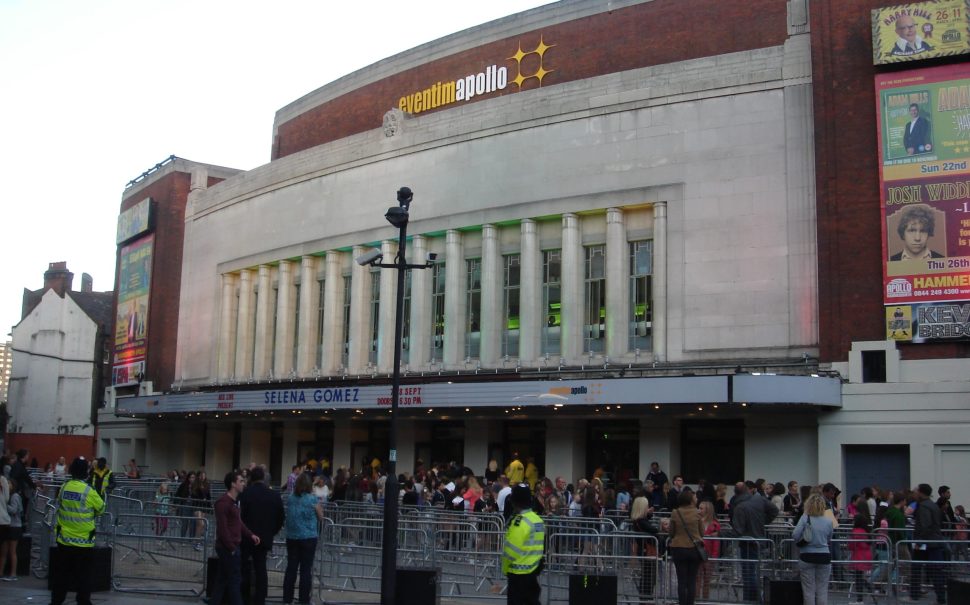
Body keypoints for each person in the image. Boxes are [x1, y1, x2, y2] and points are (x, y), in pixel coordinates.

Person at [50, 457, 105, 605]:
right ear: (86, 472)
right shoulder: (89, 491)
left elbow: (60, 505)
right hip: (84, 543)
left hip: (64, 540)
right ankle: (83, 601)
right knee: (84, 576)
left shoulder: (64, 487)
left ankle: (56, 601)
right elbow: (101, 508)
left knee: (61, 575)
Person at [210, 471, 260, 605]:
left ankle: (214, 602)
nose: (243, 484)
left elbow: (238, 523)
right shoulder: (223, 503)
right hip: (228, 547)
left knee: (223, 579)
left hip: (231, 546)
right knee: (234, 579)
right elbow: (223, 528)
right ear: (233, 484)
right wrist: (231, 547)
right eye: (241, 481)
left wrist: (250, 535)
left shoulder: (234, 503)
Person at [239, 466, 284, 605]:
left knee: (244, 567)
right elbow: (281, 517)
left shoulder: (246, 493)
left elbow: (240, 515)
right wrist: (272, 531)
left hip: (247, 535)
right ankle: (260, 598)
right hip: (265, 536)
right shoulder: (274, 495)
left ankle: (244, 596)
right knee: (261, 568)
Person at [731, 481, 779, 602]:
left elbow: (737, 529)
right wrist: (763, 522)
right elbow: (774, 510)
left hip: (747, 541)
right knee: (751, 572)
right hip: (758, 539)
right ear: (747, 489)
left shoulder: (739, 506)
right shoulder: (759, 500)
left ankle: (755, 600)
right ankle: (750, 599)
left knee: (748, 574)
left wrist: (722, 533)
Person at [283, 473, 323, 604]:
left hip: (292, 536)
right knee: (306, 570)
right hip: (308, 537)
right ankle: (303, 600)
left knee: (291, 568)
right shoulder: (312, 499)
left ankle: (287, 599)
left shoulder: (290, 498)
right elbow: (320, 516)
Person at [502, 484, 545, 605]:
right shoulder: (537, 520)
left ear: (515, 502)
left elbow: (510, 551)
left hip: (517, 574)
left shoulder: (519, 522)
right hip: (533, 573)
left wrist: (505, 569)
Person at [794, 493, 835, 605]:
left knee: (809, 590)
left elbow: (795, 535)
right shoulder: (829, 519)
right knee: (822, 589)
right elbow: (829, 538)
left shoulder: (805, 517)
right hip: (824, 556)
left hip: (806, 556)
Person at [911, 483, 947, 604]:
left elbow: (926, 526)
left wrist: (919, 542)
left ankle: (915, 595)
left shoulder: (924, 507)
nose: (914, 493)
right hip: (933, 541)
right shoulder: (932, 505)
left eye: (916, 491)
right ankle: (940, 597)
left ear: (921, 493)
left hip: (927, 543)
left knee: (918, 568)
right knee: (935, 570)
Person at [668, 490, 704, 605]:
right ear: (690, 499)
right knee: (692, 580)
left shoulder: (675, 512)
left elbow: (671, 532)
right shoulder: (697, 513)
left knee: (682, 580)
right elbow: (702, 532)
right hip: (694, 549)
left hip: (678, 548)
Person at [630, 495, 658, 601]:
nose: (648, 508)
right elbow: (653, 529)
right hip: (646, 550)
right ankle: (646, 597)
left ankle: (645, 597)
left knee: (648, 575)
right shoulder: (640, 521)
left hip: (644, 550)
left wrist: (649, 514)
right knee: (649, 576)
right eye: (646, 507)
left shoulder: (639, 520)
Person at [696, 500, 720, 601]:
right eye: (699, 508)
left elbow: (716, 543)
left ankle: (705, 601)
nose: (699, 510)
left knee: (706, 581)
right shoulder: (696, 522)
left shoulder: (714, 525)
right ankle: (696, 600)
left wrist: (714, 556)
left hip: (709, 556)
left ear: (707, 510)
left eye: (701, 508)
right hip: (697, 554)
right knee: (697, 579)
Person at [848, 514, 874, 602]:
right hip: (866, 555)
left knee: (858, 578)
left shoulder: (855, 531)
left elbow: (851, 545)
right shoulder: (866, 531)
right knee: (859, 577)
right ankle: (868, 588)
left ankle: (860, 600)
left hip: (858, 556)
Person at [2, 477, 23, 582]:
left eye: (9, 483)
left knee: (12, 551)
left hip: (15, 526)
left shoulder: (15, 496)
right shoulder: (7, 496)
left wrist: (4, 506)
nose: (7, 485)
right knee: (4, 551)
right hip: (7, 525)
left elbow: (14, 510)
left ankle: (13, 574)